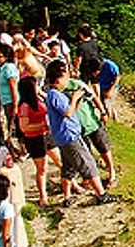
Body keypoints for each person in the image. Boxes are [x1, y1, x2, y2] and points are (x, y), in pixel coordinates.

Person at [44, 60, 117, 206]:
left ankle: (67, 196)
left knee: (68, 168)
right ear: (59, 78)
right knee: (88, 164)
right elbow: (67, 112)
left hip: (66, 136)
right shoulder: (54, 95)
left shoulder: (56, 94)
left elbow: (71, 111)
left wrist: (78, 99)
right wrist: (75, 98)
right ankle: (101, 194)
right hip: (69, 136)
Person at [16, 75, 63, 207]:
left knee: (59, 161)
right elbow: (24, 127)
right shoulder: (25, 106)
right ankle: (43, 195)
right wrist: (43, 126)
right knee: (42, 168)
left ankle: (72, 184)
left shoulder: (39, 99)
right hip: (34, 138)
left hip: (46, 136)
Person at [0, 42, 21, 156]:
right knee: (7, 126)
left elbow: (13, 87)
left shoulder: (9, 67)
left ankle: (19, 150)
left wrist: (15, 104)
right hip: (4, 100)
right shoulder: (0, 67)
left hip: (10, 100)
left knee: (12, 127)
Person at [97, 56, 122, 122]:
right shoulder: (96, 64)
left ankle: (108, 119)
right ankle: (114, 118)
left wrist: (110, 90)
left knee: (107, 103)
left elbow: (117, 77)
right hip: (102, 85)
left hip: (111, 86)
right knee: (104, 103)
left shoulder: (111, 65)